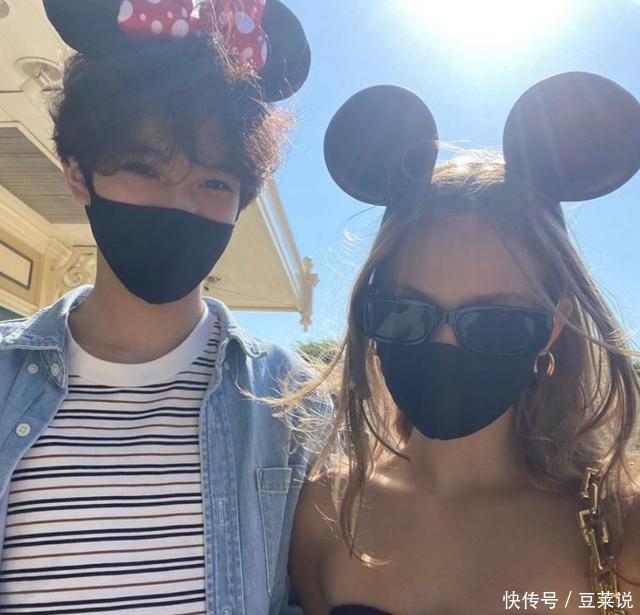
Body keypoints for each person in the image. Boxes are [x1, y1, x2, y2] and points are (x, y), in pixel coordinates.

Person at [0, 1, 327, 613]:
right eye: (143, 168)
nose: (179, 203)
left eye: (213, 182)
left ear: (242, 200)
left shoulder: (292, 404)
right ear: (78, 174)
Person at [287, 73, 640, 614]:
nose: (444, 345)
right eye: (406, 312)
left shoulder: (621, 530)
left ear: (554, 326)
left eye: (496, 321)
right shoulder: (325, 512)